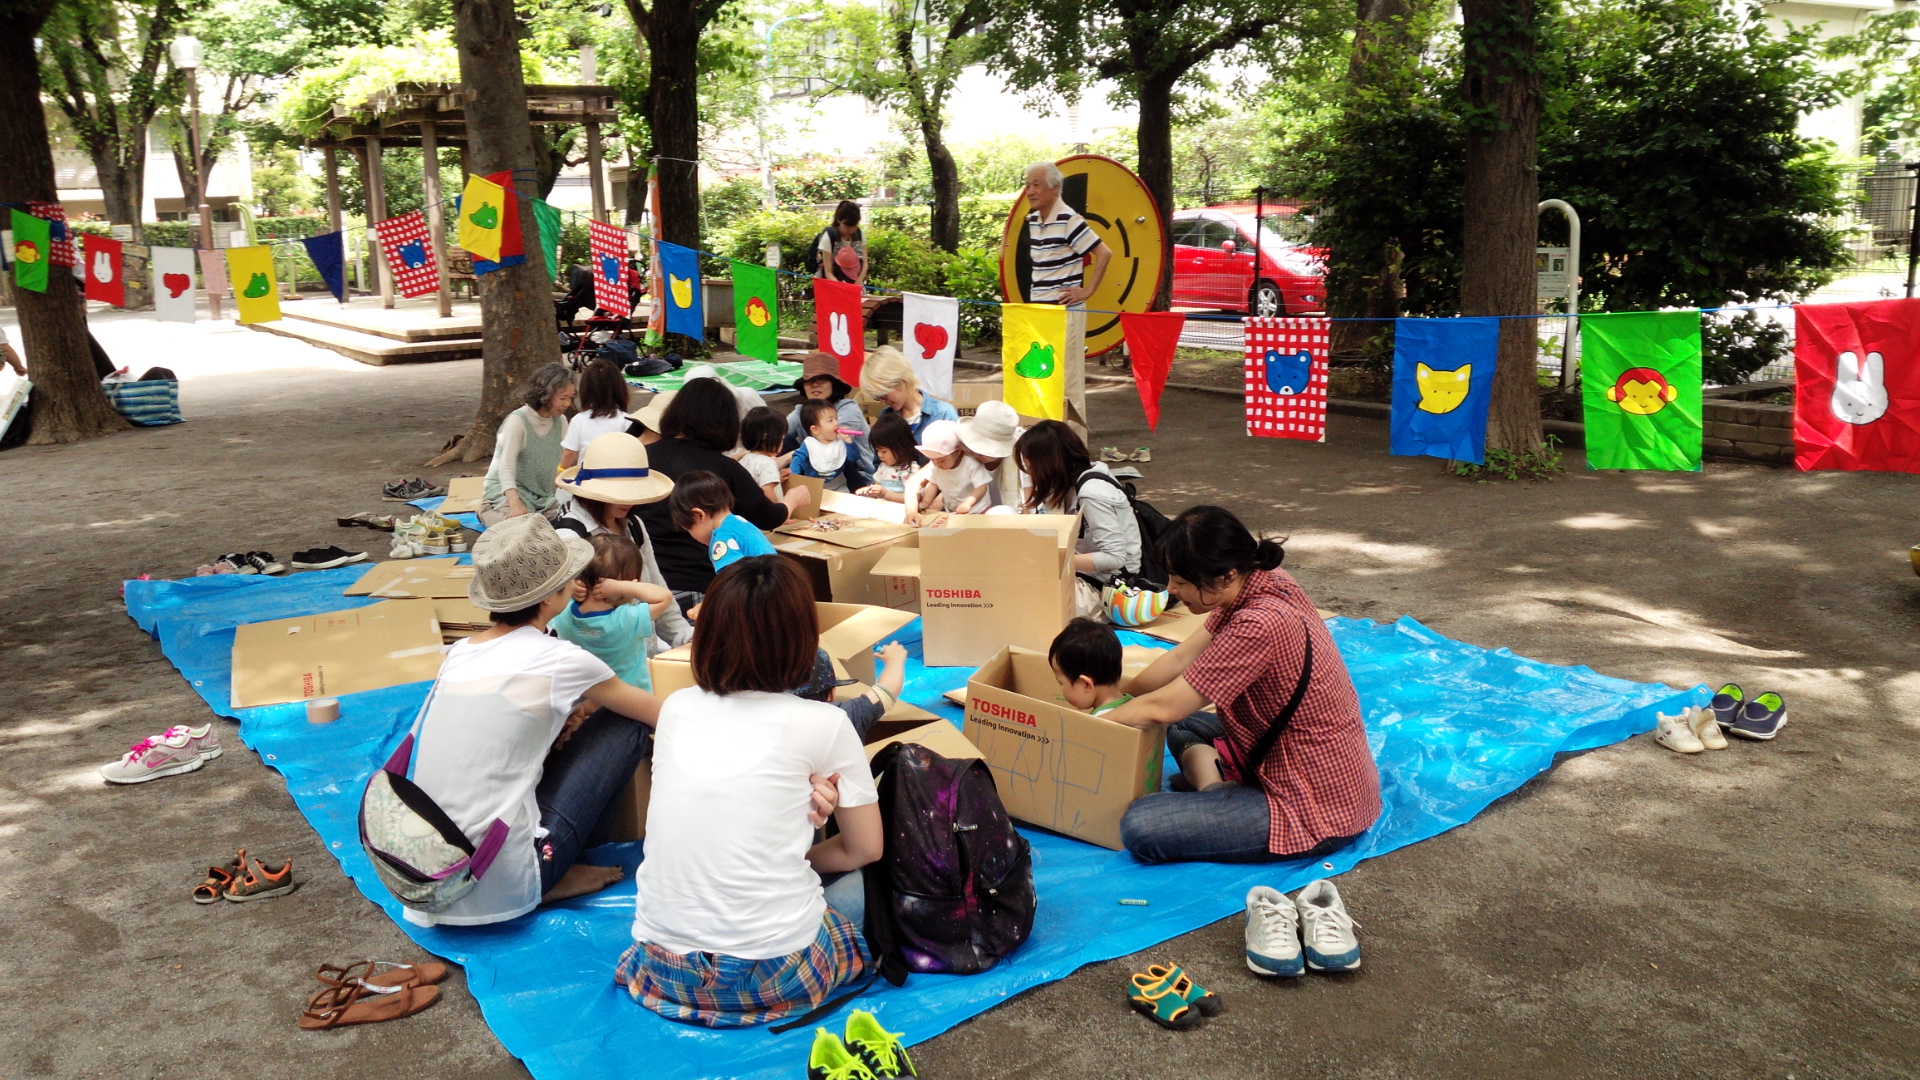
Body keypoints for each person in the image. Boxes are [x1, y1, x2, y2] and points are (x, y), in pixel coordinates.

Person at [617, 556, 882, 1028]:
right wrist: (794, 861)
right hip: (776, 974)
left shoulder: (677, 708)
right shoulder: (825, 723)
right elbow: (865, 848)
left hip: (661, 968)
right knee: (877, 882)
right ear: (804, 637)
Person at [400, 515, 665, 927]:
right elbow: (656, 713)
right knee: (626, 722)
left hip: (432, 872)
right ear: (550, 597)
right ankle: (562, 865)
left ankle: (555, 860)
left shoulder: (460, 653)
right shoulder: (561, 659)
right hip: (504, 878)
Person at [1102, 506, 1381, 865]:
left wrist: (1086, 727)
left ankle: (1222, 800)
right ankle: (1221, 794)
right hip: (1290, 751)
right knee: (1185, 726)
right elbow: (1177, 660)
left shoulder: (1259, 623)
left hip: (1313, 805)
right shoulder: (1260, 579)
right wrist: (1118, 696)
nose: (1171, 589)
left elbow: (1162, 707)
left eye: (1181, 581)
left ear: (1226, 576)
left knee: (1140, 824)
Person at [631, 378, 809, 602]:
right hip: (701, 583)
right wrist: (792, 499)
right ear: (726, 422)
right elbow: (768, 517)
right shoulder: (724, 467)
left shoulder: (643, 456)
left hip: (645, 583)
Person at [552, 431, 693, 651]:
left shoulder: (633, 524)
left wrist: (683, 636)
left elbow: (655, 583)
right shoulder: (571, 533)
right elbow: (558, 611)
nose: (628, 501)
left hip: (641, 649)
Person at [1016, 420, 1143, 617]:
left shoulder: (1091, 492)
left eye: (1031, 467)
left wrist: (1058, 560)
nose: (1031, 474)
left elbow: (1115, 557)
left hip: (1112, 587)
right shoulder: (1077, 481)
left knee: (1024, 599)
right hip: (1089, 576)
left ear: (1049, 464)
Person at [1023, 162, 1113, 434]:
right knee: (1041, 380)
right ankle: (1047, 448)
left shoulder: (1069, 219)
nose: (1030, 191)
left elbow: (1104, 253)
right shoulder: (1032, 219)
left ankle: (1076, 450)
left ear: (1055, 187)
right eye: (1027, 185)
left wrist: (1087, 291)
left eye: (1036, 184)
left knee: (1069, 384)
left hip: (1065, 314)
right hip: (1040, 315)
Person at [549, 534, 675, 692]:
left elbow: (552, 590)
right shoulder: (626, 619)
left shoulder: (564, 614)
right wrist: (623, 587)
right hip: (633, 703)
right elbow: (665, 597)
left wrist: (571, 584)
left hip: (584, 700)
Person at [480, 363, 577, 525]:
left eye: (570, 398)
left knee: (573, 518)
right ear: (545, 395)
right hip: (513, 492)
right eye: (562, 398)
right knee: (520, 526)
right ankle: (486, 511)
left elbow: (564, 462)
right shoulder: (518, 421)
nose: (567, 403)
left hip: (544, 496)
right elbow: (506, 467)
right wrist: (515, 505)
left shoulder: (560, 421)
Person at [669, 469, 778, 575]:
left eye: (688, 528)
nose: (691, 535)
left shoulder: (722, 539)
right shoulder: (739, 522)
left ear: (699, 515)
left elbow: (733, 582)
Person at [783, 350, 872, 474]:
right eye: (809, 381)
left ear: (834, 384)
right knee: (781, 438)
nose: (814, 385)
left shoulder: (848, 408)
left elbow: (831, 446)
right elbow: (780, 432)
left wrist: (784, 459)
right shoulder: (802, 411)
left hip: (856, 473)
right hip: (816, 471)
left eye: (821, 380)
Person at [859, 346, 955, 442]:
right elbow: (879, 454)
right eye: (876, 398)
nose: (881, 401)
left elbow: (957, 454)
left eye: (883, 395)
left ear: (901, 381)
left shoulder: (943, 414)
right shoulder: (885, 416)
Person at [903, 419, 990, 525]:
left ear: (957, 452)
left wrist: (968, 502)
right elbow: (933, 484)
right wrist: (925, 502)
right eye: (932, 459)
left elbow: (982, 487)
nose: (937, 464)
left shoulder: (970, 464)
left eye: (941, 460)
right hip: (953, 512)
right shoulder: (936, 465)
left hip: (978, 511)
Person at [1049, 617, 1132, 716]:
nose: (1061, 690)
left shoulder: (1098, 723)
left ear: (1086, 684)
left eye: (1061, 683)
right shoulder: (1134, 704)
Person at [561, 359, 633, 471]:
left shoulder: (579, 420)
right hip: (619, 478)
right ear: (620, 389)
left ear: (585, 390)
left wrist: (560, 473)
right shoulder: (626, 420)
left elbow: (569, 453)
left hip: (587, 480)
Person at [957, 400, 1026, 512]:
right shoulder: (960, 448)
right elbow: (928, 471)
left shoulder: (1022, 460)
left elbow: (1027, 507)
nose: (976, 453)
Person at [789, 400, 867, 493]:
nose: (836, 423)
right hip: (815, 490)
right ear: (815, 429)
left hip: (841, 488)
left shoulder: (839, 441)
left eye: (836, 418)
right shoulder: (809, 444)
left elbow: (854, 458)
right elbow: (797, 460)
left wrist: (848, 442)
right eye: (830, 420)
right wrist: (795, 480)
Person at [855, 412, 921, 503]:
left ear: (901, 448)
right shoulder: (883, 467)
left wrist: (886, 494)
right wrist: (868, 491)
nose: (880, 455)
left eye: (884, 451)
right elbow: (877, 487)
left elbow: (915, 498)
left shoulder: (911, 469)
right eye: (877, 450)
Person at [811, 200, 866, 287]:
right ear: (839, 220)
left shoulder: (859, 234)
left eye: (854, 225)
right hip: (831, 285)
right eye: (847, 225)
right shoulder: (829, 236)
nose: (851, 229)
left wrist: (858, 282)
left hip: (854, 285)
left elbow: (865, 263)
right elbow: (828, 272)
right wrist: (842, 288)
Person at [737, 406, 786, 501]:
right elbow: (767, 492)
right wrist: (779, 512)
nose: (782, 443)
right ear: (765, 437)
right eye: (781, 438)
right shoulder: (767, 463)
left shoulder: (744, 460)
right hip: (768, 513)